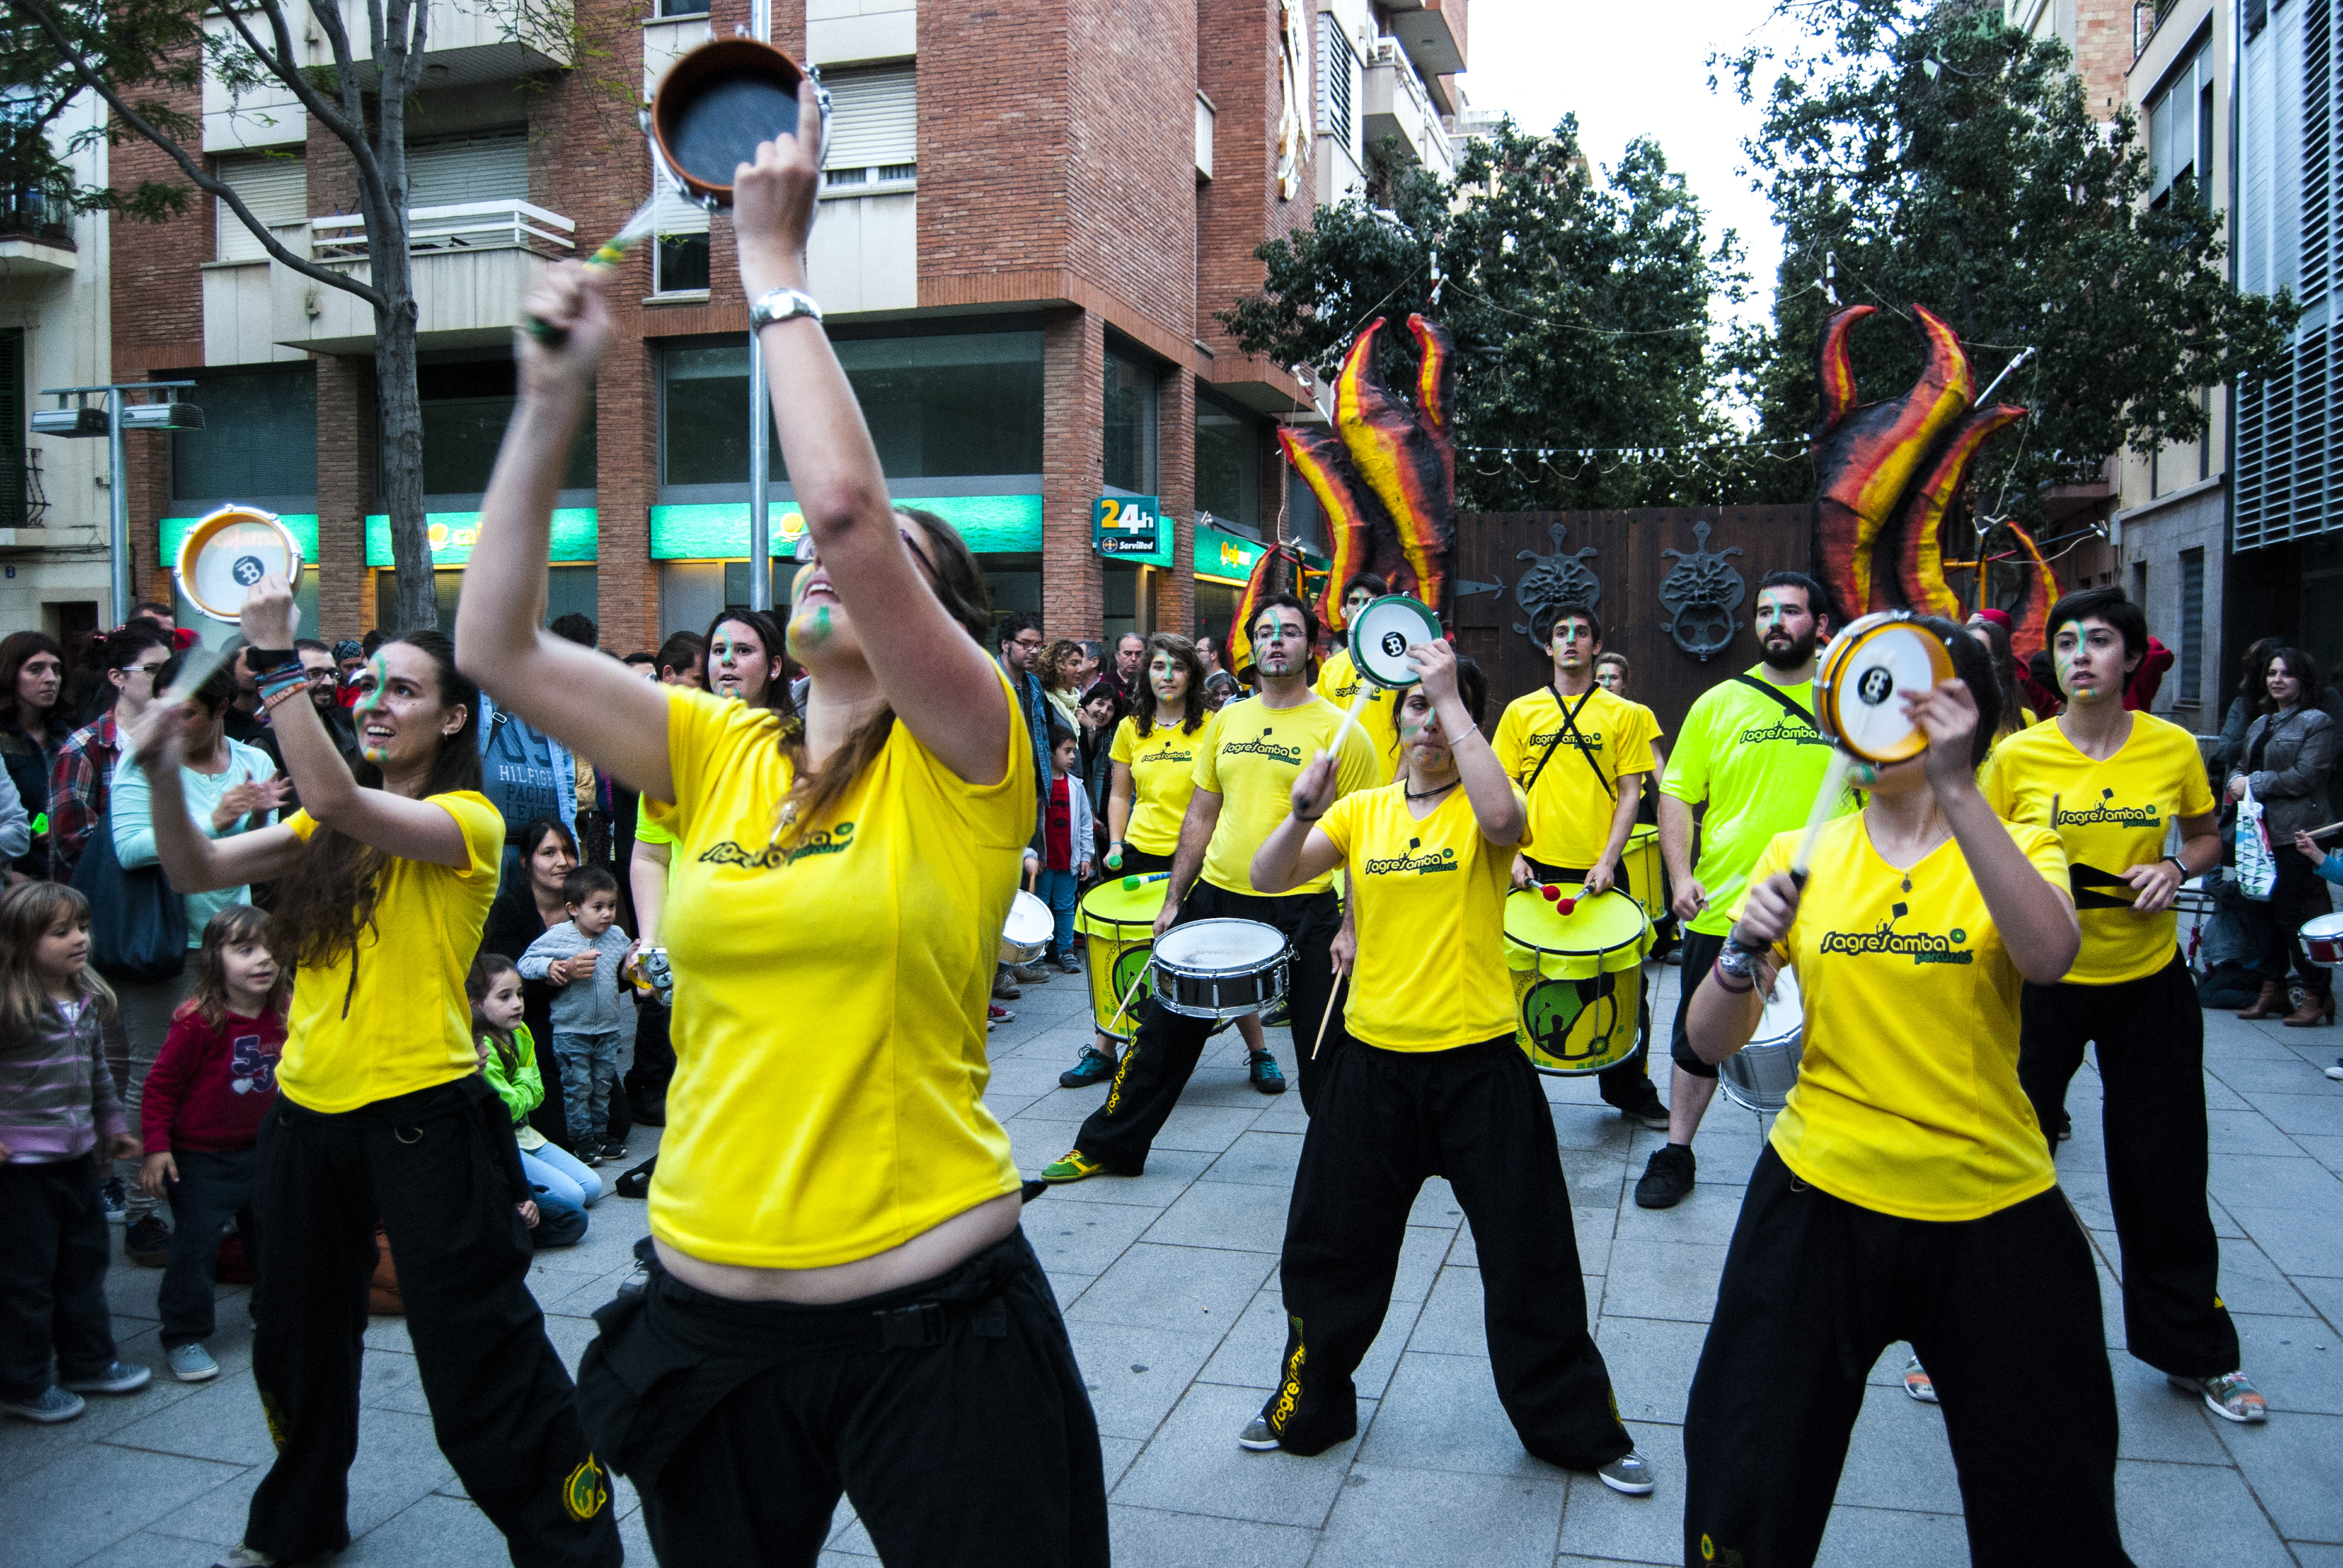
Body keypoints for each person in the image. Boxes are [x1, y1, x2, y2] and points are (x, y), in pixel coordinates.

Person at [457, 110, 1107, 1565]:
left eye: (888, 579)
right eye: (804, 558)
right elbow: (493, 645)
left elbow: (851, 513)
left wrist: (769, 263)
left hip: (934, 1325)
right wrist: (549, 400)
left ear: (940, 626)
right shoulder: (716, 748)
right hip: (707, 1323)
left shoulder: (969, 754)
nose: (822, 559)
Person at [132, 581, 616, 1568]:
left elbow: (335, 795)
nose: (377, 704)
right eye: (369, 687)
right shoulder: (325, 830)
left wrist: (277, 664)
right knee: (295, 1342)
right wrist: (156, 773)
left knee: (480, 1353)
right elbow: (193, 869)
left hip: (426, 1121)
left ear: (453, 717)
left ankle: (572, 1549)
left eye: (403, 689)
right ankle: (298, 1524)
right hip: (305, 1121)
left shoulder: (470, 820)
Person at [1680, 619, 2133, 1568]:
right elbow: (1707, 1043)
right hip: (1817, 1195)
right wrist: (1739, 954)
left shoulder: (2018, 843)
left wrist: (1960, 789)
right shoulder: (1801, 851)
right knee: (1746, 1483)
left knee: (2052, 1508)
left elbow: (2050, 956)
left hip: (1992, 1202)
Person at [1236, 640, 1655, 1492]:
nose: (1428, 719)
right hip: (1371, 1068)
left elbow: (1505, 824)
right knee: (1330, 1249)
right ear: (1396, 719)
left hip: (1480, 1069)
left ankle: (1576, 1429)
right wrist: (1301, 812)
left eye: (1448, 704)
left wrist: (1451, 697)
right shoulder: (1363, 811)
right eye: (1418, 704)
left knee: (1530, 1255)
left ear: (1470, 718)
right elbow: (1268, 875)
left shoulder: (1490, 803)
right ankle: (1308, 1404)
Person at [1980, 586, 2264, 1423]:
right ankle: (1972, 1335)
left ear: (2132, 658)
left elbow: (2205, 836)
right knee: (2005, 1159)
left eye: (2098, 640)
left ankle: (2195, 1351)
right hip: (2041, 984)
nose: (2079, 656)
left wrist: (2175, 868)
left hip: (2147, 983)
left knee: (2164, 1171)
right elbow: (1976, 851)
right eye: (2066, 642)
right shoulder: (2018, 757)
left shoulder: (2170, 748)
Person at [1044, 593, 1380, 1183]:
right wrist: (1175, 898)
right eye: (1265, 631)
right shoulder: (1229, 719)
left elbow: (1361, 840)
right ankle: (1108, 1147)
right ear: (1252, 647)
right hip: (1218, 897)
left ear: (1310, 647)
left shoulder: (1343, 732)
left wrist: (1351, 926)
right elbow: (1201, 814)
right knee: (1161, 1034)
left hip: (1305, 906)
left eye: (1290, 631)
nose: (1276, 640)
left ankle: (1348, 1166)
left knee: (1325, 1046)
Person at [1640, 572, 1856, 1210]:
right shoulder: (1718, 703)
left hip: (1833, 903)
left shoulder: (1849, 705)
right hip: (1728, 909)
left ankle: (1826, 1153)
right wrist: (1680, 877)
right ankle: (1676, 1151)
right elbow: (1677, 794)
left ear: (1819, 624)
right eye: (1764, 612)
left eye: (1789, 611)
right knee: (1697, 1036)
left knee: (1835, 1036)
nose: (1774, 622)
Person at [108, 647, 285, 1265]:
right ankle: (142, 1212)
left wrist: (260, 816)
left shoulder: (252, 758)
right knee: (153, 1071)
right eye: (165, 708)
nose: (173, 723)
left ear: (219, 710)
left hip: (231, 940)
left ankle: (223, 1198)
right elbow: (131, 848)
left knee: (232, 1067)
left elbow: (267, 845)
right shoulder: (142, 760)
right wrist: (216, 818)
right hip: (163, 942)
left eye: (186, 712)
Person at [1494, 602, 1669, 1130]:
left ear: (1597, 645)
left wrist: (1608, 860)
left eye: (1582, 632)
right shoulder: (1520, 712)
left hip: (1603, 871)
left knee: (1625, 981)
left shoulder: (1625, 714)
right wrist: (1513, 854)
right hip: (1533, 868)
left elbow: (1631, 792)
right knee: (1518, 978)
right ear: (1547, 646)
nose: (1571, 640)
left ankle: (1631, 1090)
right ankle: (1510, 1093)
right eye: (1561, 633)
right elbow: (1503, 788)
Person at [0, 882, 151, 1423]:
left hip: (77, 1159)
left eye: (83, 927)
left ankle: (88, 1361)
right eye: (61, 932)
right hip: (20, 1169)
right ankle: (22, 1382)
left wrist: (112, 1127)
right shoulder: (11, 1004)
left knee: (85, 1263)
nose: (79, 939)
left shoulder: (84, 1000)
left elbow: (98, 1072)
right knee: (25, 1278)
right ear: (21, 942)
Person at [1059, 634, 1225, 1089]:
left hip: (1199, 853)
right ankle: (1104, 1050)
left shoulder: (1215, 725)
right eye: (1158, 667)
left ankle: (1259, 1051)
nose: (1167, 676)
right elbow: (1119, 794)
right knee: (1124, 949)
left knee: (1211, 950)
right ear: (1146, 675)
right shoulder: (1132, 728)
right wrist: (1115, 842)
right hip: (1141, 850)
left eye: (1178, 667)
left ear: (1192, 675)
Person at [137, 904, 287, 1383]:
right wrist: (156, 1147)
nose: (264, 959)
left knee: (272, 1236)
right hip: (200, 1157)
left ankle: (272, 1312)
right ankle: (184, 1335)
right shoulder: (198, 1020)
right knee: (196, 1243)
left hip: (265, 1148)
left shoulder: (287, 1011)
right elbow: (160, 1086)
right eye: (245, 950)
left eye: (271, 948)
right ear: (213, 959)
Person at [2230, 646, 2337, 1027]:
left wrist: (2252, 783)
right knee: (2262, 914)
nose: (2277, 680)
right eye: (2272, 673)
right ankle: (2271, 990)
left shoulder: (2316, 722)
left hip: (2299, 833)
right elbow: (2240, 766)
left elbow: (2305, 777)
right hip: (2259, 833)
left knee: (2294, 914)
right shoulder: (2261, 722)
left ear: (2302, 680)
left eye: (2286, 674)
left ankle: (2316, 994)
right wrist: (2235, 781)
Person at [471, 953, 594, 1250]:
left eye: (519, 994)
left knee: (592, 1187)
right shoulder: (481, 1047)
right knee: (574, 1198)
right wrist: (525, 1082)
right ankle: (525, 1203)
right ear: (476, 1004)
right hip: (505, 1142)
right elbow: (507, 1106)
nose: (517, 1004)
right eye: (504, 997)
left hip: (526, 1133)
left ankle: (536, 1199)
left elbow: (537, 1095)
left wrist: (522, 1088)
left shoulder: (521, 1032)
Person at [518, 864, 634, 1167]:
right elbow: (525, 962)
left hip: (608, 1029)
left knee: (602, 1084)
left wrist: (632, 963)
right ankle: (582, 1141)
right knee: (578, 1087)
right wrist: (551, 968)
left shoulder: (616, 937)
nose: (607, 914)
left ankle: (602, 1135)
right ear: (573, 909)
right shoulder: (559, 937)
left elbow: (625, 969)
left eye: (611, 906)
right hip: (571, 1030)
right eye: (598, 907)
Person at [481, 817, 583, 1152]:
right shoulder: (509, 910)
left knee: (616, 1124)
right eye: (549, 853)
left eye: (568, 851)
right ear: (526, 862)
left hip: (582, 1023)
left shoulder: (587, 906)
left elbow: (608, 978)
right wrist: (564, 974)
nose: (562, 862)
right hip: (531, 1023)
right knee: (561, 1133)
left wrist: (626, 969)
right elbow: (509, 988)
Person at [49, 623, 174, 885]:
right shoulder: (85, 747)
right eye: (152, 670)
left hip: (180, 888)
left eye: (170, 670)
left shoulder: (182, 739)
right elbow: (72, 841)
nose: (165, 680)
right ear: (117, 677)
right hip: (113, 893)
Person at [1312, 573, 1403, 780]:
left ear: (1382, 609)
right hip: (1341, 783)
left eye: (1370, 601)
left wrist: (1400, 782)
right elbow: (1321, 729)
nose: (1361, 607)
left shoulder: (1400, 664)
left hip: (1388, 782)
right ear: (1343, 610)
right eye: (1354, 601)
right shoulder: (1330, 668)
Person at [0, 630, 68, 880]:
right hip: (14, 876)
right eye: (36, 669)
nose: (51, 679)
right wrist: (7, 875)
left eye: (56, 670)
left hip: (64, 871)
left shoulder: (66, 737)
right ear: (10, 675)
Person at [1036, 724, 1093, 974]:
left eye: (1074, 751)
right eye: (1067, 751)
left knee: (1066, 906)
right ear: (1050, 752)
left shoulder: (1076, 786)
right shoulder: (1039, 785)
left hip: (1068, 859)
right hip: (1044, 861)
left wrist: (1086, 856)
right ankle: (1037, 952)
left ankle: (1066, 950)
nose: (1073, 757)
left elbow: (1085, 824)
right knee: (1040, 905)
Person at [1964, 611, 2036, 746]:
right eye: (1964, 653)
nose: (1970, 664)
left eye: (1981, 655)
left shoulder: (2025, 720)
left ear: (2000, 666)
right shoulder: (1940, 717)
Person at [1073, 678, 1121, 867]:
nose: (1103, 712)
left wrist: (1095, 813)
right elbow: (1080, 769)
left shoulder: (1106, 734)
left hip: (1089, 798)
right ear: (1087, 703)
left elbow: (1098, 775)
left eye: (1110, 709)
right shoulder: (1075, 722)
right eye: (1100, 704)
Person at [1038, 638, 1092, 734]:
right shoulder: (1042, 700)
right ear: (1057, 666)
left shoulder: (1076, 701)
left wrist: (1091, 727)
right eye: (1074, 664)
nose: (1081, 669)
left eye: (1081, 663)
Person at [1103, 632, 1147, 710]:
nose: (1134, 659)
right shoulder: (1105, 681)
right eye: (1128, 653)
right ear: (1117, 656)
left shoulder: (1149, 683)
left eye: (1138, 654)